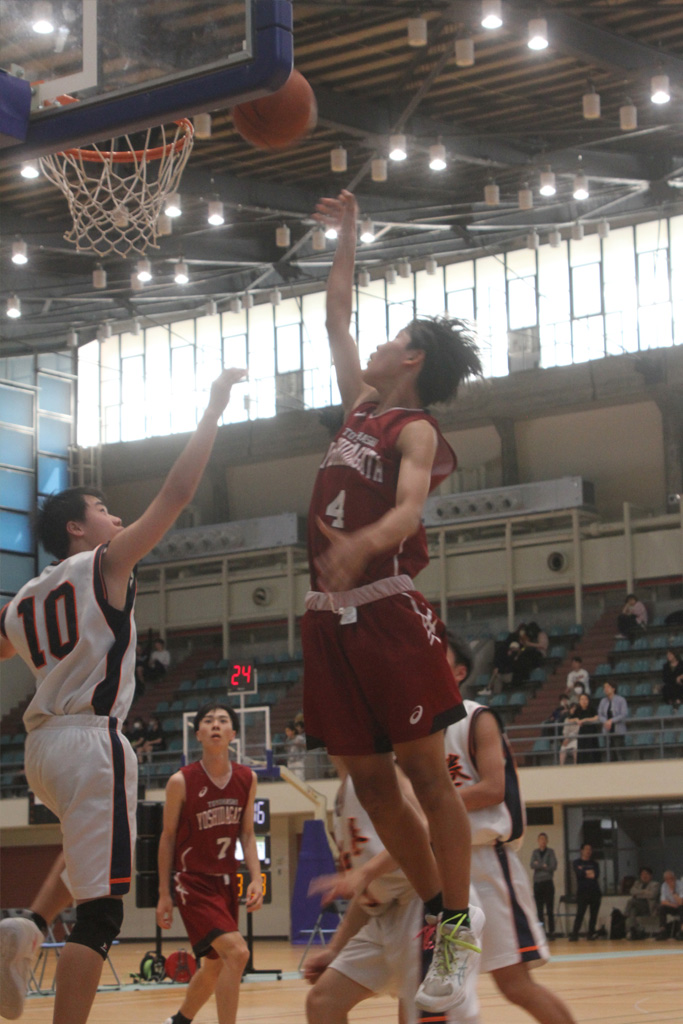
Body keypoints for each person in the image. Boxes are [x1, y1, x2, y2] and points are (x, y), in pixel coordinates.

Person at [0, 367, 245, 1024]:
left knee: (81, 873)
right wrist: (213, 409)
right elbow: (178, 490)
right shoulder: (104, 563)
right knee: (103, 913)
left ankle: (24, 927)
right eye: (104, 509)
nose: (115, 516)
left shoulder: (22, 600)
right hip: (90, 741)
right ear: (79, 530)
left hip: (40, 751)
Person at [302, 189, 483, 1012]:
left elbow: (408, 511)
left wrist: (363, 544)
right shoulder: (357, 408)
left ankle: (455, 926)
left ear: (410, 359)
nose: (375, 342)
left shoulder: (412, 429)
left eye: (393, 337)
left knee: (423, 773)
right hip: (327, 618)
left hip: (387, 601)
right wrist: (345, 237)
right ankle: (427, 902)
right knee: (371, 785)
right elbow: (337, 316)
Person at [442, 636, 576, 1024]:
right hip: (441, 866)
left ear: (460, 671)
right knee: (439, 987)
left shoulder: (476, 717)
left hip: (486, 863)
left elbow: (492, 789)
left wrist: (432, 804)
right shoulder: (416, 733)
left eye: (439, 656)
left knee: (515, 985)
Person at [304, 759, 486, 1024]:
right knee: (323, 1002)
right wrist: (335, 949)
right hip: (386, 914)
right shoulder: (345, 792)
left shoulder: (385, 771)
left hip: (424, 901)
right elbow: (370, 893)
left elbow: (426, 827)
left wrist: (366, 872)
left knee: (430, 1015)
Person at [156, 702, 263, 1024]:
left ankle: (179, 1021)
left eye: (223, 721)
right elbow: (168, 837)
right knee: (238, 953)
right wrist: (164, 893)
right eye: (208, 721)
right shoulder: (181, 781)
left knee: (216, 966)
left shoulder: (247, 778)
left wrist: (256, 878)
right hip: (193, 882)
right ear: (198, 733)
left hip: (227, 882)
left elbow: (246, 833)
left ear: (232, 734)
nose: (215, 725)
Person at [569, 844, 602, 941]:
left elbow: (595, 875)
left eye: (590, 849)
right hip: (582, 892)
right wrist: (587, 872)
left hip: (595, 891)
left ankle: (591, 933)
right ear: (581, 850)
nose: (588, 851)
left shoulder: (595, 863)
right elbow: (579, 874)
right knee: (580, 914)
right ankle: (575, 934)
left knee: (593, 915)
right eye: (586, 849)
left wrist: (584, 872)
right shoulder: (576, 862)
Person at [530, 833, 557, 940]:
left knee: (550, 909)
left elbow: (553, 866)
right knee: (539, 910)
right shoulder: (535, 852)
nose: (543, 841)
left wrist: (539, 865)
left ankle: (551, 932)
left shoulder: (551, 852)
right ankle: (541, 932)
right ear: (538, 841)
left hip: (548, 883)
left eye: (544, 839)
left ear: (547, 841)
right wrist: (544, 865)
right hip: (537, 883)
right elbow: (532, 864)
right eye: (541, 839)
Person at [624, 866, 659, 940]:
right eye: (642, 874)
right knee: (633, 911)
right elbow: (632, 891)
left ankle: (625, 915)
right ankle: (634, 931)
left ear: (650, 875)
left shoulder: (655, 884)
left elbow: (652, 895)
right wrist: (644, 892)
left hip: (648, 907)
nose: (644, 876)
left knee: (630, 901)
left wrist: (639, 894)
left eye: (646, 874)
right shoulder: (637, 883)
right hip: (638, 906)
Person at [597, 681, 628, 761]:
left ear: (613, 689)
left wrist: (612, 720)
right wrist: (606, 721)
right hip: (607, 731)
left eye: (607, 687)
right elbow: (600, 714)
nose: (605, 689)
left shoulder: (621, 700)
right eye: (604, 687)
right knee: (609, 755)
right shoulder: (603, 701)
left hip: (618, 731)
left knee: (620, 754)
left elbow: (623, 714)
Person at [511, 621, 548, 686]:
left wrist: (530, 644)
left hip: (539, 653)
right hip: (530, 652)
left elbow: (543, 646)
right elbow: (524, 648)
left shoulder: (542, 635)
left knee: (527, 656)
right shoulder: (531, 637)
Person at [655, 870, 683, 940]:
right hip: (672, 906)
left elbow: (681, 902)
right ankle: (663, 930)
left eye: (671, 878)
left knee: (682, 908)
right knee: (662, 908)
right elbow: (663, 901)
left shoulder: (681, 885)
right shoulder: (664, 885)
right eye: (667, 879)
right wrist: (672, 904)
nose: (669, 881)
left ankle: (682, 931)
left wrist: (673, 891)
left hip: (680, 906)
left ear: (675, 878)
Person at [574, 693, 600, 764]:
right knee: (582, 752)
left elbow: (596, 718)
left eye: (585, 699)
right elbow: (570, 718)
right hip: (582, 732)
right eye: (582, 699)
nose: (584, 701)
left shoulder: (592, 708)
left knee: (592, 751)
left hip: (591, 732)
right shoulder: (578, 710)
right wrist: (576, 719)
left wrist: (585, 720)